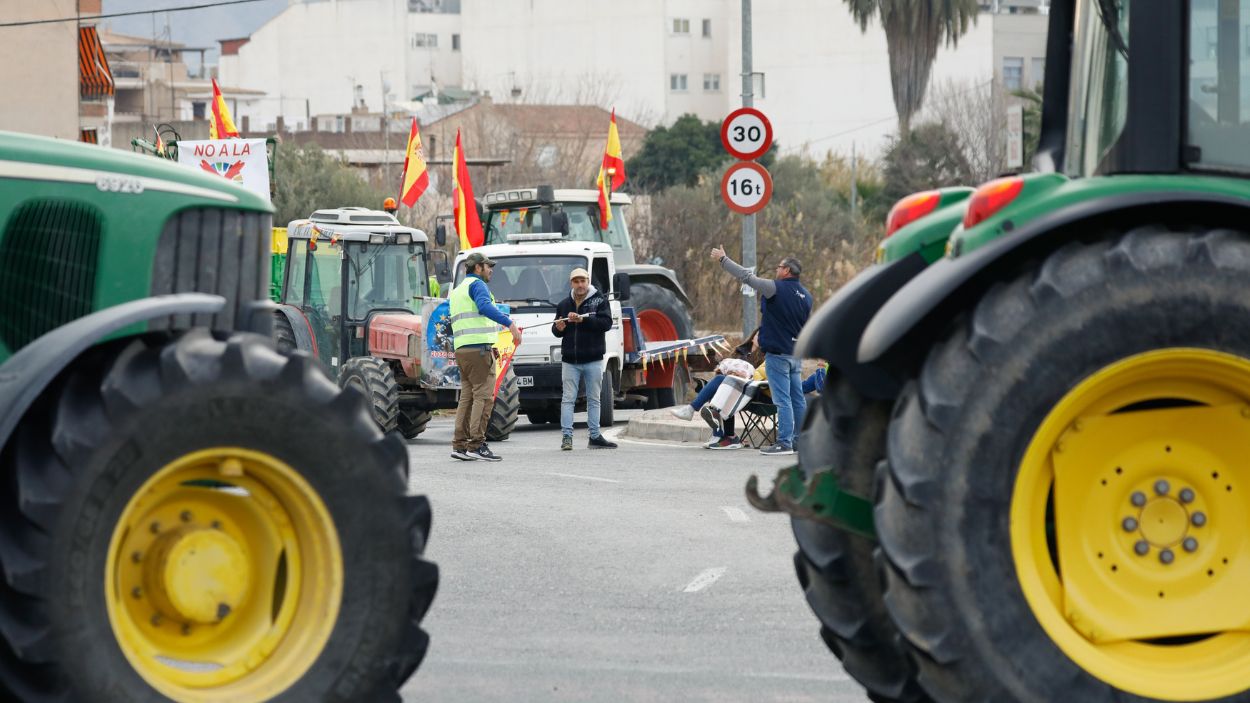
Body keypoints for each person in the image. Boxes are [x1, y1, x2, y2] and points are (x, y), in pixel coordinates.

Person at [710, 246, 812, 456]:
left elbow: (747, 277)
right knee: (797, 399)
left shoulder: (775, 288)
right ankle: (799, 441)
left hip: (778, 356)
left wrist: (724, 260)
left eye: (779, 266)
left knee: (782, 400)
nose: (777, 269)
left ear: (786, 271)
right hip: (796, 355)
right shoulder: (806, 296)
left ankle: (784, 443)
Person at [449, 252, 522, 462]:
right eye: (488, 266)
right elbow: (484, 307)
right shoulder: (478, 285)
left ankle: (459, 446)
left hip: (462, 350)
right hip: (479, 350)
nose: (491, 270)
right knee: (484, 396)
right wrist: (509, 323)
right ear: (478, 268)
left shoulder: (457, 290)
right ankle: (477, 445)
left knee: (467, 397)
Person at [553, 268, 618, 450]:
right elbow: (557, 331)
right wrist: (559, 328)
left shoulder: (599, 301)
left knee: (594, 399)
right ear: (571, 283)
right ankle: (567, 437)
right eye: (576, 281)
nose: (580, 285)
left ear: (588, 281)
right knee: (568, 399)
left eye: (583, 281)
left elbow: (606, 324)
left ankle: (595, 437)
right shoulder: (564, 304)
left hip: (593, 359)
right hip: (569, 361)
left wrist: (583, 320)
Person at [670, 356, 755, 450]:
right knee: (719, 389)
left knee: (718, 381)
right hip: (743, 392)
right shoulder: (754, 354)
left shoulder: (767, 360)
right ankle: (722, 436)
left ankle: (692, 410)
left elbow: (758, 379)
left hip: (753, 393)